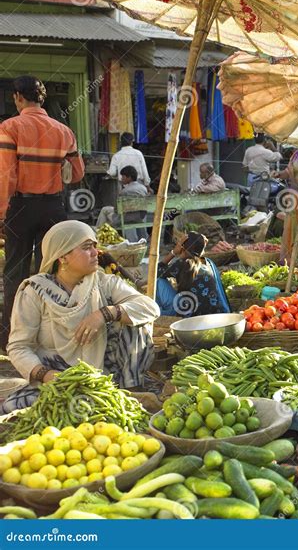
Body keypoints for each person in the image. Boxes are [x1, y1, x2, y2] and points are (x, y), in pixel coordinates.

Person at [1, 220, 160, 413]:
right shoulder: (35, 291)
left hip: (105, 373)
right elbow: (18, 347)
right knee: (14, 407)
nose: (96, 252)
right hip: (59, 378)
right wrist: (46, 375)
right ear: (63, 257)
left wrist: (105, 313)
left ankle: (130, 390)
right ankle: (98, 401)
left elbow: (150, 307)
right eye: (86, 248)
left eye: (94, 246)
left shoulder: (104, 282)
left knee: (135, 318)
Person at [0, 76, 85, 350]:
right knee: (50, 272)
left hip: (20, 207)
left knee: (15, 272)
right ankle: (50, 335)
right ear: (42, 98)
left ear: (17, 97)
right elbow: (77, 175)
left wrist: (1, 213)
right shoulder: (63, 131)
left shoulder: (9, 127)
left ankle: (13, 338)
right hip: (53, 207)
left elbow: (6, 176)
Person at [156, 232, 231, 317]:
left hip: (190, 317)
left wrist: (174, 252)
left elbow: (156, 272)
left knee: (159, 282)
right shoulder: (208, 262)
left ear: (182, 248)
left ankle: (159, 313)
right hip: (215, 315)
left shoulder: (182, 263)